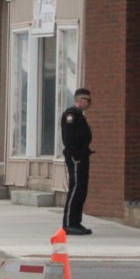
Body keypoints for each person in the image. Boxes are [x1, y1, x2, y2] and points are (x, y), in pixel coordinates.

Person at [61, 88, 94, 235]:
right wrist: (75, 154)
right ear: (80, 100)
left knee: (81, 189)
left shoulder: (80, 115)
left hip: (82, 155)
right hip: (76, 157)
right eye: (88, 100)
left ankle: (76, 221)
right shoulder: (71, 115)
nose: (90, 103)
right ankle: (68, 223)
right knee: (75, 188)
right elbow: (69, 138)